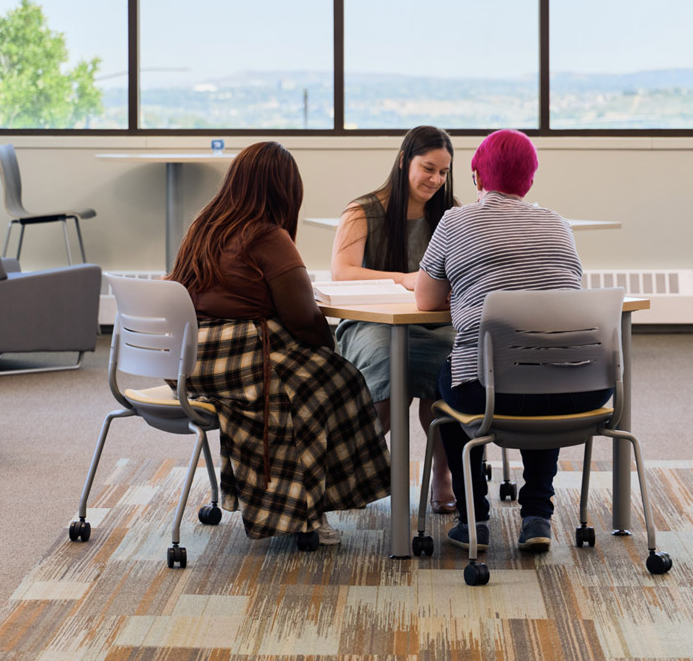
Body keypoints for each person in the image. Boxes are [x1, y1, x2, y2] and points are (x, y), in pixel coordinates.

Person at [168, 141, 391, 545]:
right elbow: (303, 318)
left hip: (185, 361)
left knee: (306, 383)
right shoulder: (266, 236)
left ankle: (297, 506)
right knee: (337, 380)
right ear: (284, 191)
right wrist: (331, 350)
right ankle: (307, 511)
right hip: (235, 360)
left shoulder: (203, 227)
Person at [415, 129, 612, 554]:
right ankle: (537, 515)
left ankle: (474, 520)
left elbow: (426, 299)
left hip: (490, 396)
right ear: (530, 181)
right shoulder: (559, 223)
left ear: (476, 177)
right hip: (582, 394)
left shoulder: (455, 221)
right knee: (546, 367)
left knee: (444, 388)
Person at [331, 125, 458, 512]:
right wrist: (402, 279)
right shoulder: (363, 210)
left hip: (435, 324)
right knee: (389, 367)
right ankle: (356, 472)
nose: (436, 179)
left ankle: (443, 473)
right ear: (405, 161)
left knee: (449, 371)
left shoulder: (451, 214)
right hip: (372, 324)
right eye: (428, 168)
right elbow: (343, 272)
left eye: (443, 172)